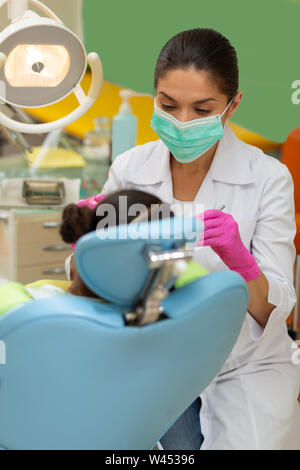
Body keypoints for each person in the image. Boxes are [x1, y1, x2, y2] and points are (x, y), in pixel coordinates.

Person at [99, 28, 300, 450]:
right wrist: (92, 240)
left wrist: (242, 264)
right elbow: (98, 281)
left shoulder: (267, 178)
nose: (182, 123)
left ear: (232, 106)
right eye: (168, 105)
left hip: (243, 368)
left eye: (202, 108)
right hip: (155, 360)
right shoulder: (130, 168)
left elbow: (275, 309)